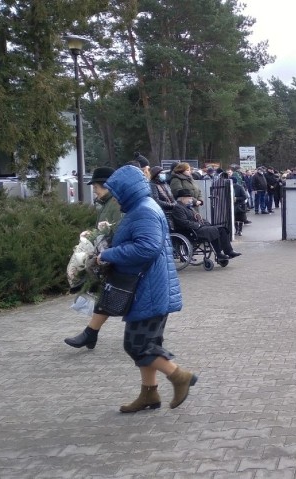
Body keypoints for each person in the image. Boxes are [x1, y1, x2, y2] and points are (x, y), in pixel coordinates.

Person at [93, 165, 196, 413]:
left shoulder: (144, 212)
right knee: (147, 343)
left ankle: (179, 376)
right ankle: (149, 394)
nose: (115, 197)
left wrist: (108, 253)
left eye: (117, 192)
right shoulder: (142, 208)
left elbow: (146, 248)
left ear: (127, 190)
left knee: (136, 345)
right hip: (150, 288)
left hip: (148, 289)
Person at [64, 166, 124, 350]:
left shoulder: (114, 203)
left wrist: (101, 244)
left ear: (106, 186)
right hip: (111, 255)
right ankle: (90, 334)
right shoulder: (107, 203)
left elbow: (116, 229)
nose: (94, 192)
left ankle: (150, 336)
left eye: (96, 188)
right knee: (109, 295)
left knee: (117, 296)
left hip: (116, 256)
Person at [171, 189, 242, 260]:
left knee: (222, 229)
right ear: (183, 198)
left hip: (197, 227)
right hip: (191, 231)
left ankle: (229, 251)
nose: (191, 200)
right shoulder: (178, 208)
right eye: (189, 198)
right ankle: (219, 254)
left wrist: (206, 223)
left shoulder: (188, 207)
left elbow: (198, 217)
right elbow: (183, 222)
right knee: (213, 230)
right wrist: (198, 225)